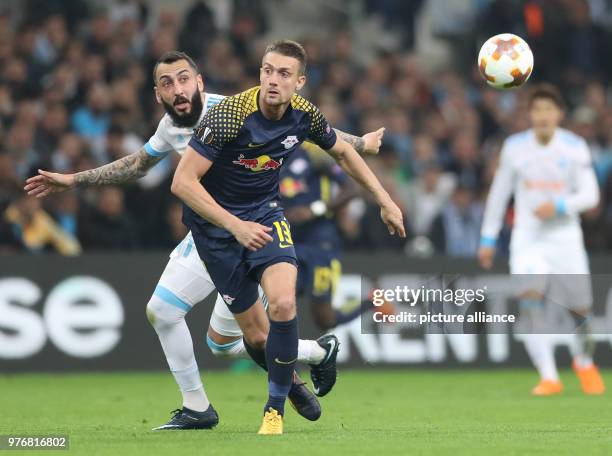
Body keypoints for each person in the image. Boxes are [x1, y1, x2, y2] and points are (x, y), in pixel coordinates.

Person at [24, 50, 386, 429]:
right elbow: (136, 165)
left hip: (252, 230)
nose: (177, 89)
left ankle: (307, 359)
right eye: (167, 83)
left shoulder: (230, 110)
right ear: (158, 94)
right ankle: (201, 405)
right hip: (207, 234)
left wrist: (360, 143)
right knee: (164, 314)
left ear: (199, 82)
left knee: (240, 341)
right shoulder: (169, 127)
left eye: (183, 79)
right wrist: (73, 179)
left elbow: (307, 129)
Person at [171, 39, 405, 435]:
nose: (272, 80)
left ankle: (273, 411)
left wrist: (384, 199)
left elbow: (344, 153)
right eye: (267, 70)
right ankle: (304, 371)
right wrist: (234, 225)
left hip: (265, 216)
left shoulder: (304, 115)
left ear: (299, 82)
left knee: (282, 303)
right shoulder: (229, 116)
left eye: (283, 74)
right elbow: (182, 182)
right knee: (254, 338)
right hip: (217, 232)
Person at [478, 83, 604, 396]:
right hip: (528, 238)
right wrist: (488, 238)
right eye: (537, 109)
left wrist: (560, 205)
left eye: (549, 109)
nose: (543, 115)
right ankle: (548, 376)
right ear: (530, 114)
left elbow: (590, 195)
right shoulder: (515, 147)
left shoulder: (574, 147)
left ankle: (584, 363)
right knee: (530, 302)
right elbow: (499, 194)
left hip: (565, 238)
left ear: (560, 114)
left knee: (580, 310)